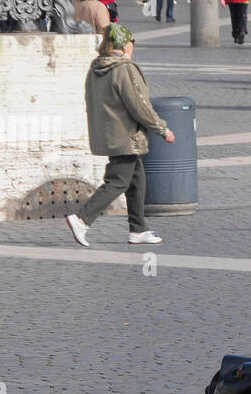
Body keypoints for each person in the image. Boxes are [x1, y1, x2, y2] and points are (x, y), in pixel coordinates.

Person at [67, 24, 172, 247]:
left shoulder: (96, 68)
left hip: (109, 134)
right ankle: (82, 219)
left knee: (137, 181)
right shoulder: (124, 69)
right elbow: (139, 105)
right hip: (126, 136)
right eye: (132, 41)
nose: (133, 46)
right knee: (117, 181)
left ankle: (138, 229)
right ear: (124, 43)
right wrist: (161, 128)